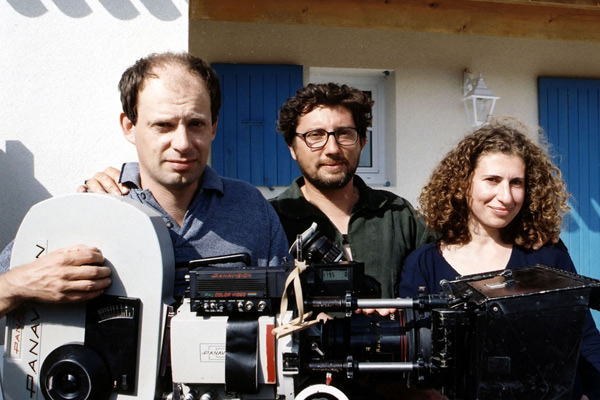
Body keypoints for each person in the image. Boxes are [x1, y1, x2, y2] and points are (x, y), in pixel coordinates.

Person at [398, 117, 600, 399]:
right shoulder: (424, 263)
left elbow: (584, 337)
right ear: (462, 184)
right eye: (492, 180)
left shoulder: (546, 256)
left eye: (516, 183)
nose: (505, 196)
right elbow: (411, 354)